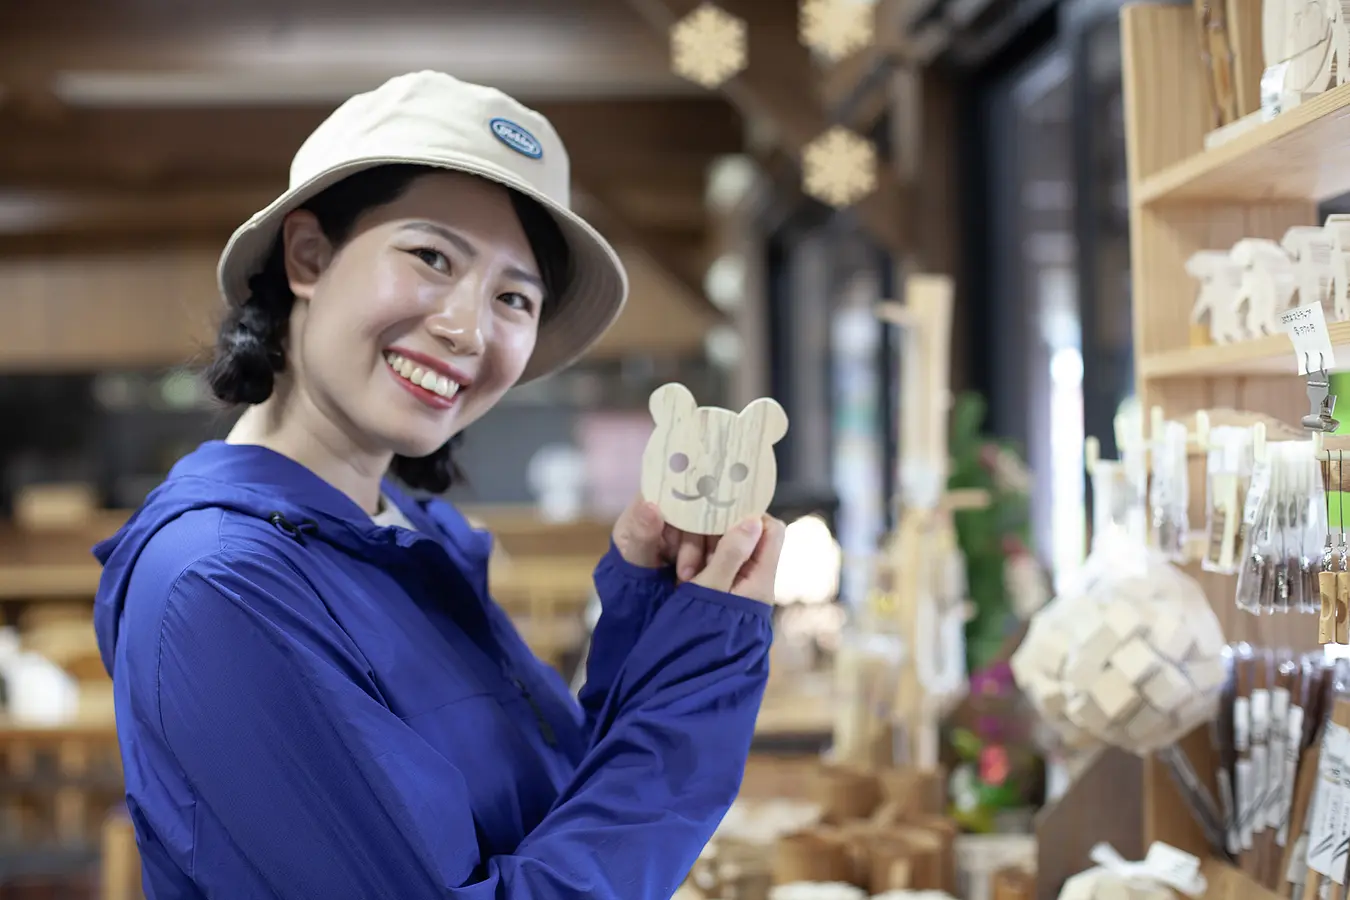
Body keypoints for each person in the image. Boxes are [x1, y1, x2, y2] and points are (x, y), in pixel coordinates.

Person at [91, 70, 786, 899]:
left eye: (514, 298)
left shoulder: (406, 542)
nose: (467, 327)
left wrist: (660, 617)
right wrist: (701, 679)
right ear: (308, 256)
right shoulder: (221, 584)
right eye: (430, 256)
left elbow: (559, 814)